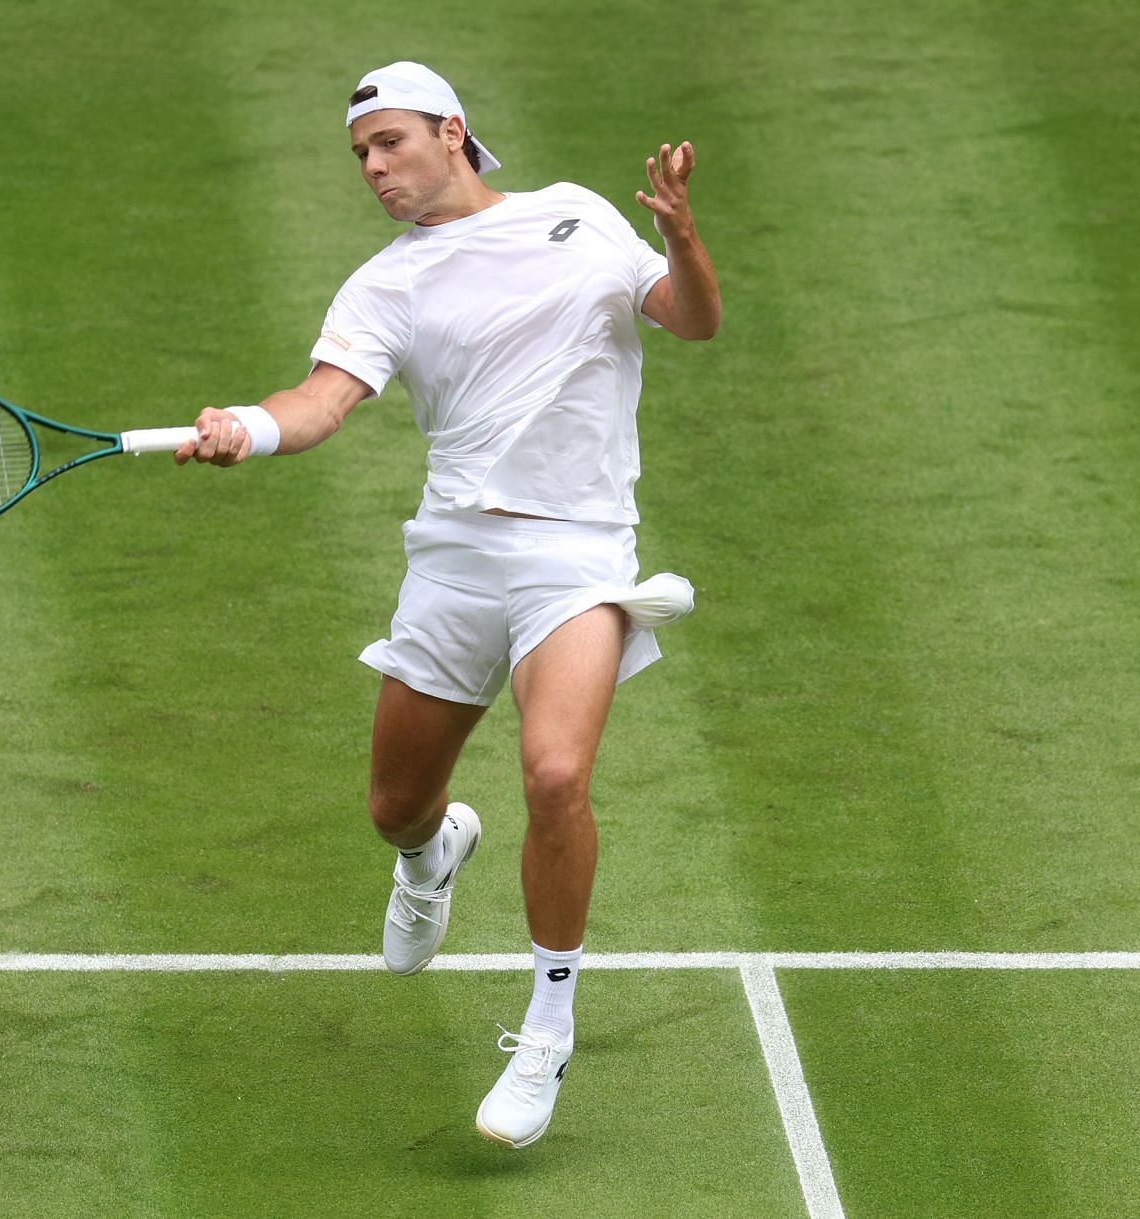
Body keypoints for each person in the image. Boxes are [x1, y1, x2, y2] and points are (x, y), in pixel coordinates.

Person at [176, 60, 719, 1148]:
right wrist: (249, 420)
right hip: (457, 561)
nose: (374, 168)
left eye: (391, 143)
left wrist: (683, 238)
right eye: (361, 155)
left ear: (452, 133)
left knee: (558, 770)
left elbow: (691, 321)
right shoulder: (384, 287)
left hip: (576, 555)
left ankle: (548, 1025)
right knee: (393, 806)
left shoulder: (577, 216)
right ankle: (431, 857)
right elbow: (321, 403)